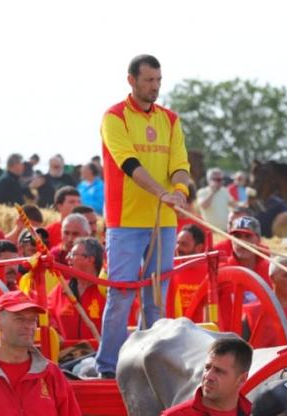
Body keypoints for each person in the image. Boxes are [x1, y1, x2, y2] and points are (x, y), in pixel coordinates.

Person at [95, 53, 191, 379]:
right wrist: (161, 192)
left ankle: (148, 367)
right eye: (149, 80)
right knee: (120, 294)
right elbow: (129, 163)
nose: (155, 87)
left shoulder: (171, 119)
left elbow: (180, 164)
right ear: (131, 80)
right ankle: (108, 367)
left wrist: (180, 189)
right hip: (125, 221)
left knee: (156, 299)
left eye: (159, 81)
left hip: (164, 221)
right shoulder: (114, 118)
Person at [48, 237, 105, 340]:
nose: (67, 258)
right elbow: (46, 314)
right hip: (65, 353)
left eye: (73, 254)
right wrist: (55, 333)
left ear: (90, 259)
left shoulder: (106, 291)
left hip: (99, 353)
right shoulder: (61, 289)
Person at [170, 224, 208, 316]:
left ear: (198, 248)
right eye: (177, 243)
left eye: (184, 244)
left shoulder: (208, 272)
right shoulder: (169, 270)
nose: (178, 248)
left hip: (199, 329)